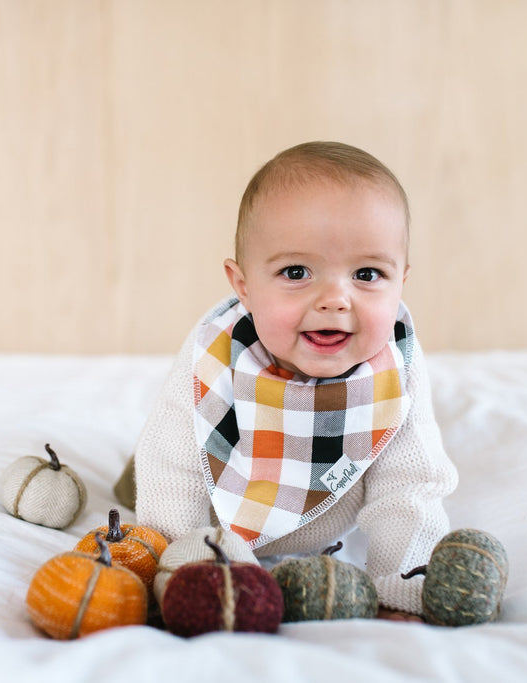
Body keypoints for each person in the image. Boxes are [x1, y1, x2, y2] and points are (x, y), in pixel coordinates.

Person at [130, 141, 458, 621]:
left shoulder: (394, 365)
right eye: (296, 272)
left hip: (329, 529)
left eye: (367, 274)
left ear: (401, 281)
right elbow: (171, 465)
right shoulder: (217, 355)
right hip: (224, 526)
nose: (335, 299)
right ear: (243, 286)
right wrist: (175, 569)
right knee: (145, 471)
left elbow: (411, 486)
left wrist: (400, 585)